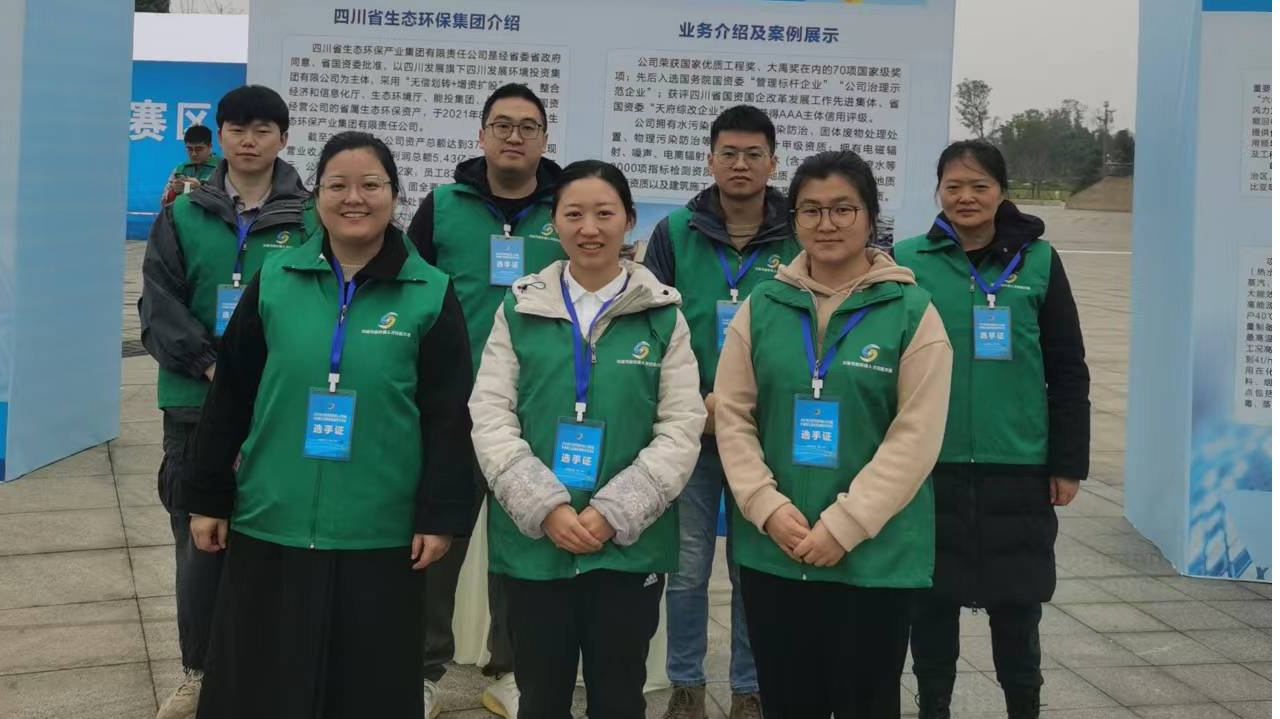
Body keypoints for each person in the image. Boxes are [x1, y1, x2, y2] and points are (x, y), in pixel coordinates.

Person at [181, 131, 479, 718]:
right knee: (261, 688)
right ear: (317, 196)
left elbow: (448, 415)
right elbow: (232, 395)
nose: (354, 198)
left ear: (394, 194)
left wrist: (439, 515)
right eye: (338, 185)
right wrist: (208, 496)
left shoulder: (430, 292)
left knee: (364, 690)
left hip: (380, 530)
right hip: (273, 518)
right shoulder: (276, 278)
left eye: (371, 185)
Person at [714, 150, 953, 718]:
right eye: (811, 210)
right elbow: (733, 414)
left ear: (870, 216)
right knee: (787, 701)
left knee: (866, 701)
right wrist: (766, 505)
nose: (827, 224)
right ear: (794, 219)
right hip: (778, 547)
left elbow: (916, 436)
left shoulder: (912, 311)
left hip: (874, 554)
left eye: (844, 209)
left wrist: (845, 525)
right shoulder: (762, 305)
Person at [469, 160, 705, 719]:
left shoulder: (662, 314)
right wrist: (546, 507)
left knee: (619, 696)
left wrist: (613, 512)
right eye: (574, 214)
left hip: (627, 546)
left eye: (605, 213)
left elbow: (681, 425)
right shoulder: (520, 306)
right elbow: (491, 413)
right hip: (536, 545)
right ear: (554, 222)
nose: (590, 228)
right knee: (540, 696)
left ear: (629, 220)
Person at [897, 141, 1090, 719]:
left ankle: (1023, 707)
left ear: (1001, 191)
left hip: (1019, 465)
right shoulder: (908, 260)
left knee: (1018, 608)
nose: (966, 197)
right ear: (938, 191)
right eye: (953, 186)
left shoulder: (1040, 262)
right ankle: (933, 707)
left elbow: (1067, 366)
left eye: (979, 185)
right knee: (930, 607)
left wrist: (1068, 462)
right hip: (931, 464)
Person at [137, 84, 311, 719]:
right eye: (236, 128)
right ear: (220, 135)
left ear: (283, 138)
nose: (248, 140)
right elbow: (158, 306)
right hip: (196, 408)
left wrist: (268, 376)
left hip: (279, 410)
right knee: (199, 542)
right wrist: (215, 367)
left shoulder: (311, 218)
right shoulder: (182, 214)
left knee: (280, 541)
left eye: (263, 129)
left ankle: (270, 670)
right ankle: (198, 671)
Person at [406, 82, 567, 718]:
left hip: (537, 410)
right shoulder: (442, 205)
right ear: (481, 135)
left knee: (524, 541)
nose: (514, 136)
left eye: (528, 126)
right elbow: (407, 289)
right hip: (453, 408)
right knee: (436, 540)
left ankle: (512, 670)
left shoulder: (566, 206)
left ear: (544, 139)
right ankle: (421, 672)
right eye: (502, 124)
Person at [642, 104, 799, 719]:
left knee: (751, 566)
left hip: (764, 435)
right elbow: (651, 324)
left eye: (753, 154)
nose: (740, 164)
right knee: (686, 569)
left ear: (772, 162)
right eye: (728, 153)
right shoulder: (676, 231)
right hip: (692, 434)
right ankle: (686, 684)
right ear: (709, 160)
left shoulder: (796, 232)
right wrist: (692, 404)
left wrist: (738, 407)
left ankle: (749, 688)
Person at [160, 124, 221, 207]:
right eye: (190, 149)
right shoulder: (180, 169)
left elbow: (227, 203)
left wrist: (200, 188)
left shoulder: (222, 167)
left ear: (210, 146)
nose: (194, 154)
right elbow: (164, 205)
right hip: (182, 214)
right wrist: (173, 192)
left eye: (198, 149)